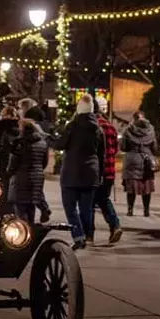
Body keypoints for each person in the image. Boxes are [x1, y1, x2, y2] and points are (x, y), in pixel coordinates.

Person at [52, 95, 104, 250]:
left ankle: (78, 236)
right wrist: (99, 175)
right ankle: (88, 236)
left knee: (70, 208)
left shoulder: (72, 126)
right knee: (86, 208)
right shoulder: (97, 130)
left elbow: (60, 145)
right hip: (91, 174)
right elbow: (102, 154)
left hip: (71, 174)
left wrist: (52, 137)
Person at [5, 115, 48, 225]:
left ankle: (24, 235)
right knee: (30, 206)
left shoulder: (19, 143)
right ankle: (31, 231)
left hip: (21, 179)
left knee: (20, 209)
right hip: (37, 177)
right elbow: (44, 162)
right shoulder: (42, 143)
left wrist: (8, 173)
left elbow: (13, 163)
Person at [92, 98, 123, 244]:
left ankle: (89, 235)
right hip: (109, 171)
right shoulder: (110, 127)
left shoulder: (92, 127)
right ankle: (115, 225)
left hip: (95, 171)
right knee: (104, 199)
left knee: (89, 202)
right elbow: (115, 149)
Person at [120, 110, 158, 217]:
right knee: (146, 187)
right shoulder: (151, 130)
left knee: (131, 188)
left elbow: (123, 147)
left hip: (132, 160)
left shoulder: (128, 130)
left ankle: (130, 210)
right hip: (147, 162)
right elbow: (154, 148)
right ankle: (146, 210)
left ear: (134, 118)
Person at [23, 105, 54, 223]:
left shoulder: (33, 129)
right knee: (37, 191)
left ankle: (43, 210)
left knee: (32, 193)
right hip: (38, 168)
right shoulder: (43, 132)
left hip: (30, 168)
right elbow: (44, 158)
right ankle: (44, 208)